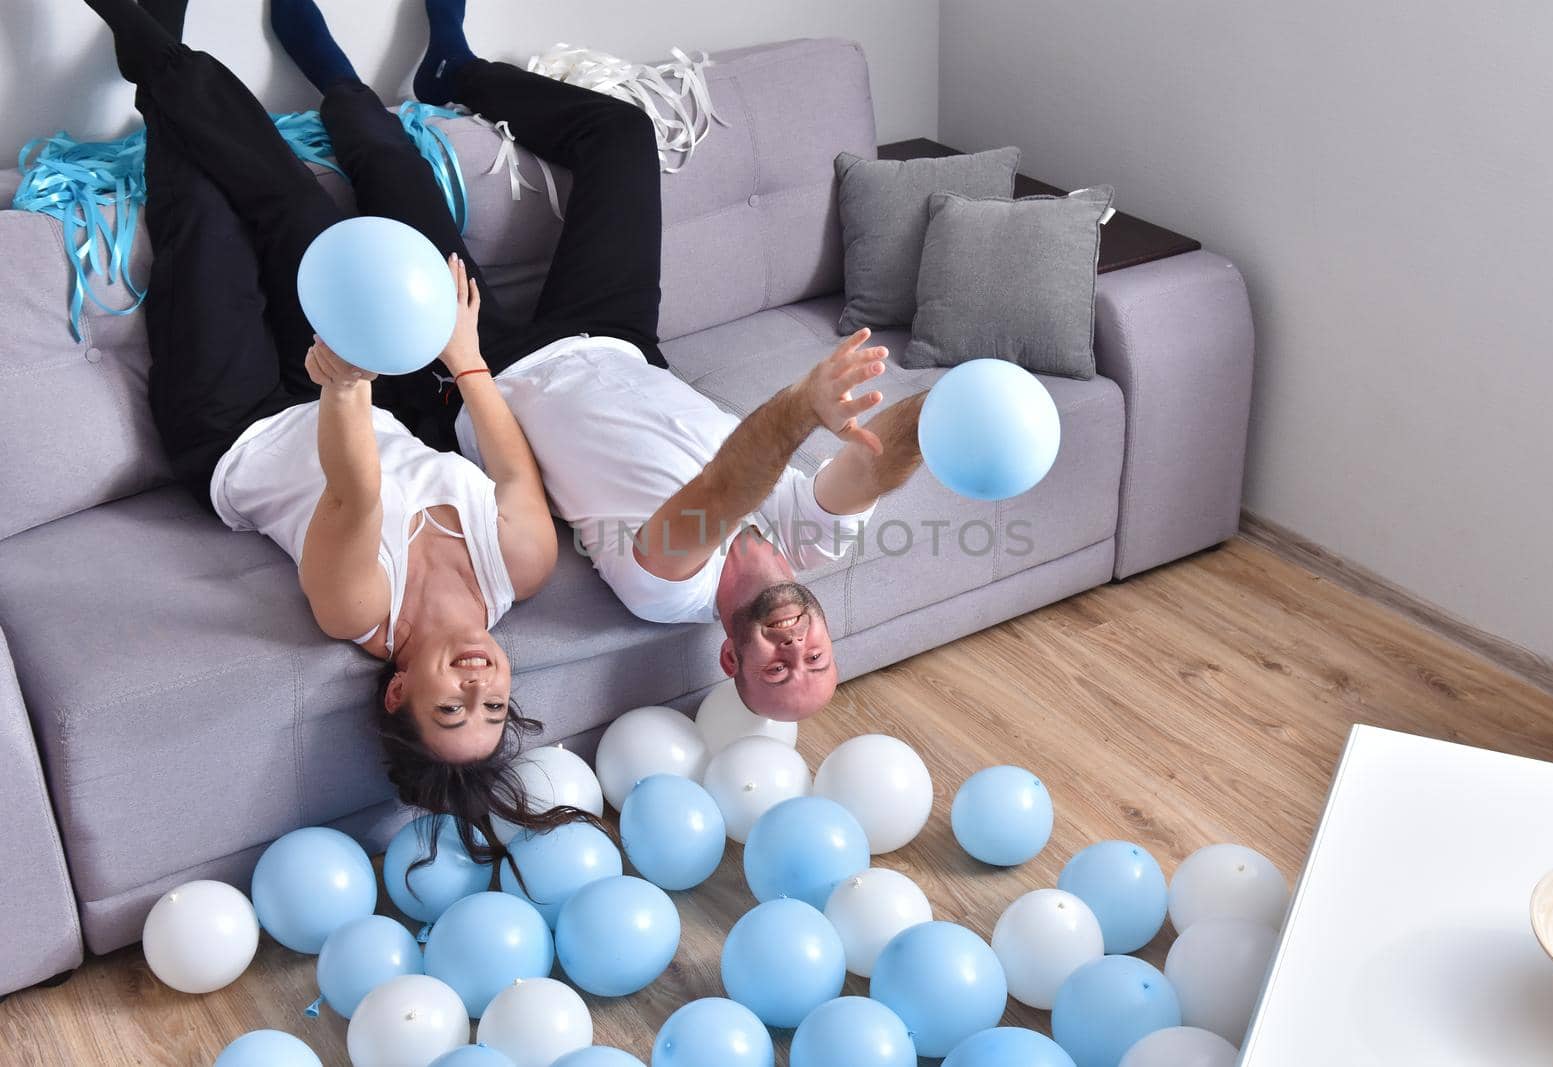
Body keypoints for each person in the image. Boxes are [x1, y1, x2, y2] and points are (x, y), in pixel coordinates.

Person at [80, 0, 581, 855]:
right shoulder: (522, 567)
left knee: (199, 210)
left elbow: (356, 487)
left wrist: (349, 374)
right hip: (342, 394)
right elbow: (509, 463)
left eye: (450, 705)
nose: (476, 680)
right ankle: (148, 29)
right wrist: (464, 358)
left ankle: (141, 23)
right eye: (493, 702)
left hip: (235, 425)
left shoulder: (356, 607)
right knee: (291, 200)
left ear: (397, 692)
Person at [396, 1, 931, 723]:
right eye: (816, 656)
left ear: (729, 659)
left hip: (495, 377)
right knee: (621, 134)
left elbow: (722, 489)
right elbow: (878, 462)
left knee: (397, 183)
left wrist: (804, 407)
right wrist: (961, 410)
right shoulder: (811, 542)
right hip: (616, 338)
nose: (793, 648)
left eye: (776, 670)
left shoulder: (670, 587)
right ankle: (455, 71)